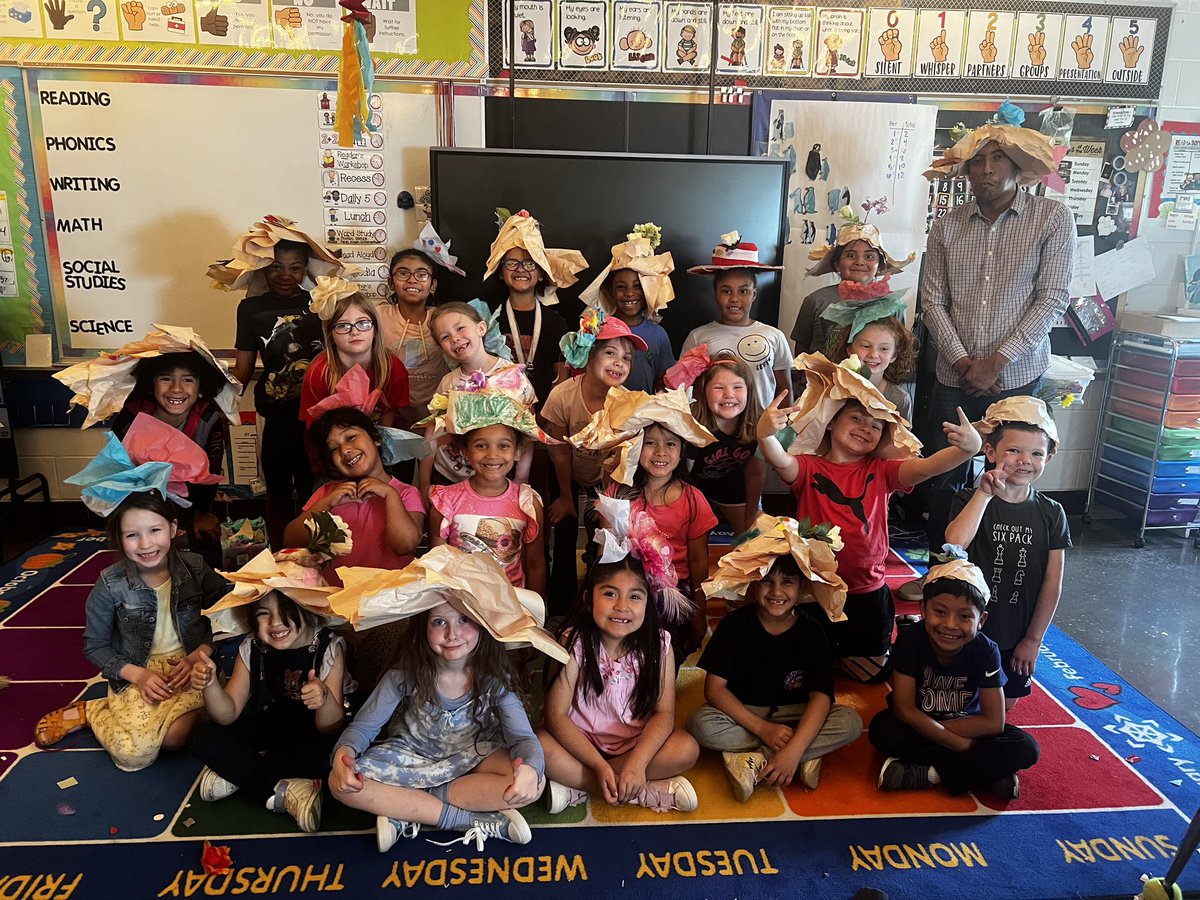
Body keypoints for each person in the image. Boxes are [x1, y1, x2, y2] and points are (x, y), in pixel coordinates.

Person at [757, 353, 982, 683]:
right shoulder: (808, 467)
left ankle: (884, 639)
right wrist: (765, 435)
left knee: (870, 676)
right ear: (832, 422)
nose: (865, 428)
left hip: (867, 589)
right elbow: (779, 459)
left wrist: (967, 449)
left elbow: (929, 466)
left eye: (876, 426)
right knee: (803, 669)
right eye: (857, 419)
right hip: (815, 588)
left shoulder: (884, 471)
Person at [328, 547, 568, 852]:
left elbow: (522, 737)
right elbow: (362, 729)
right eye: (439, 622)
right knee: (341, 785)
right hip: (411, 756)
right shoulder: (403, 674)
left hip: (474, 756)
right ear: (423, 628)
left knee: (534, 784)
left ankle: (408, 808)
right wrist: (342, 758)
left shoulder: (494, 679)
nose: (452, 634)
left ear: (483, 625)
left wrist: (529, 769)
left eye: (465, 620)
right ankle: (461, 819)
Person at [920, 114, 1076, 549]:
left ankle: (997, 571)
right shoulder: (946, 225)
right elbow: (932, 302)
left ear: (1019, 167)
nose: (987, 169)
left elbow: (1052, 298)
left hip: (1019, 374)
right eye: (977, 161)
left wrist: (997, 361)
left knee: (1012, 475)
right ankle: (941, 570)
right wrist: (964, 362)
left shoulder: (1051, 218)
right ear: (966, 171)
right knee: (944, 475)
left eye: (999, 158)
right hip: (955, 376)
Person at [34, 489, 225, 771]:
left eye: (155, 530)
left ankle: (173, 715)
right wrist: (139, 675)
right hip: (139, 670)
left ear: (173, 528)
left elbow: (224, 617)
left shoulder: (195, 568)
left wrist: (198, 655)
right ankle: (93, 710)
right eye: (132, 535)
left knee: (176, 737)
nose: (146, 544)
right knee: (135, 756)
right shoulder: (110, 584)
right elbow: (95, 645)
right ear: (119, 539)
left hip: (192, 665)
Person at [688, 518, 863, 799]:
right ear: (754, 584)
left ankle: (760, 758)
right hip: (747, 713)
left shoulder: (812, 630)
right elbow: (714, 690)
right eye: (767, 582)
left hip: (799, 712)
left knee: (850, 721)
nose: (777, 592)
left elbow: (821, 697)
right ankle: (802, 755)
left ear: (802, 587)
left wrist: (792, 749)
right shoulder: (734, 625)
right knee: (700, 724)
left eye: (787, 582)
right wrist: (763, 729)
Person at [538, 553, 700, 815]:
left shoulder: (660, 646)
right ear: (589, 600)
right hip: (579, 746)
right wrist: (599, 766)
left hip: (635, 746)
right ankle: (635, 789)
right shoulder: (573, 642)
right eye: (610, 594)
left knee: (686, 749)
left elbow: (664, 714)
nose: (622, 606)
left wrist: (638, 762)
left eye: (635, 596)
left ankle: (578, 787)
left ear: (648, 603)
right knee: (540, 745)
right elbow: (556, 715)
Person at [216, 218, 343, 548]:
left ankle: (316, 550)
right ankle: (281, 552)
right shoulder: (250, 309)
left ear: (305, 269)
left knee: (313, 485)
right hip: (276, 413)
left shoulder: (320, 303)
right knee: (276, 487)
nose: (285, 276)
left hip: (317, 413)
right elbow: (243, 368)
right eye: (276, 267)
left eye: (295, 268)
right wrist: (218, 406)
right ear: (262, 268)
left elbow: (341, 353)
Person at [868, 558, 1040, 800]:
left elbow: (993, 723)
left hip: (964, 726)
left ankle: (929, 775)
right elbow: (905, 708)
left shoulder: (986, 650)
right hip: (926, 724)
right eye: (940, 612)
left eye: (964, 617)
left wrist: (941, 734)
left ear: (981, 621)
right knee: (881, 730)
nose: (950, 625)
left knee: (1026, 748)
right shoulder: (910, 640)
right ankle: (988, 773)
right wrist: (958, 744)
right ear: (923, 609)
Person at [944, 397, 1069, 709]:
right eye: (1013, 450)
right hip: (967, 630)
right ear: (990, 451)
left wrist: (1033, 641)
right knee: (955, 700)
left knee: (1003, 706)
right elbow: (954, 543)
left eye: (1036, 453)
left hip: (1016, 635)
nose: (1024, 460)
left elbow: (1052, 583)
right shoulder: (970, 499)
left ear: (1049, 457)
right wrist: (985, 495)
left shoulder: (1052, 513)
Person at [189, 590, 348, 833]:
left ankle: (240, 773)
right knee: (204, 737)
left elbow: (331, 728)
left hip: (315, 731)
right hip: (273, 721)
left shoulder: (328, 646)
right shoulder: (252, 645)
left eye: (287, 613)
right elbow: (227, 713)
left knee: (338, 756)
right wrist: (210, 686)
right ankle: (287, 788)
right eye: (263, 614)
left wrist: (324, 698)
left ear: (307, 611)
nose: (275, 623)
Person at [580, 388, 717, 658]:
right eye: (651, 443)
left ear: (681, 452)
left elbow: (699, 562)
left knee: (665, 654)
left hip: (673, 593)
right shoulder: (619, 492)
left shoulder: (693, 499)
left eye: (671, 444)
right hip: (626, 588)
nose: (661, 452)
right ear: (636, 447)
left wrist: (700, 612)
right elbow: (603, 554)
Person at [540, 312, 648, 607]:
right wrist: (565, 496)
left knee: (603, 538)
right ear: (589, 355)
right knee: (562, 531)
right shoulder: (562, 396)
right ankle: (560, 606)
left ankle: (596, 598)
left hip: (607, 480)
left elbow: (619, 465)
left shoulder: (629, 405)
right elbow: (560, 450)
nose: (619, 362)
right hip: (568, 472)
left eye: (626, 358)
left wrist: (603, 506)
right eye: (610, 353)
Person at [107, 347, 234, 559]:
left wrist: (202, 512)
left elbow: (210, 471)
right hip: (137, 501)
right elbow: (118, 473)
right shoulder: (130, 417)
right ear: (151, 384)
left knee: (206, 538)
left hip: (194, 501)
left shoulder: (209, 420)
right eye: (166, 378)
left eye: (188, 380)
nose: (176, 389)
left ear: (201, 387)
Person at [428, 386, 551, 594]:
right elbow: (436, 566)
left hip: (511, 607)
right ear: (466, 452)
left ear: (517, 451)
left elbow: (536, 565)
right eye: (481, 446)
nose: (492, 455)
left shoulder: (528, 503)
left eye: (503, 446)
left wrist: (533, 616)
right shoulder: (446, 501)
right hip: (461, 606)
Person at [286, 407, 424, 587]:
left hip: (389, 601)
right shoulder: (327, 494)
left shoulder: (406, 493)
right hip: (336, 600)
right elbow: (290, 540)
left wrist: (390, 495)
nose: (345, 450)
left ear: (376, 438)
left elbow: (406, 545)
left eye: (350, 437)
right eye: (334, 448)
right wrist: (326, 504)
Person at [420, 301, 536, 489]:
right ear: (442, 348)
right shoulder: (448, 382)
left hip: (497, 475)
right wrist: (423, 482)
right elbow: (432, 434)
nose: (455, 338)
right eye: (445, 337)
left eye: (460, 328)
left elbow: (529, 433)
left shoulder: (513, 377)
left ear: (481, 328)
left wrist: (522, 478)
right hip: (449, 477)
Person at [483, 209, 585, 406]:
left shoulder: (555, 323)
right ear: (501, 272)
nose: (521, 268)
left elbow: (562, 378)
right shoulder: (488, 318)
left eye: (530, 263)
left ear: (541, 274)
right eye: (512, 263)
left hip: (544, 412)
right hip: (498, 411)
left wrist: (545, 416)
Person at [682, 233, 791, 409]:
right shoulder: (698, 337)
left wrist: (783, 428)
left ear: (754, 294)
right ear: (715, 294)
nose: (734, 299)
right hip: (713, 430)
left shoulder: (774, 336)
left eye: (743, 291)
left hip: (762, 429)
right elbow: (687, 388)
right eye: (726, 291)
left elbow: (784, 389)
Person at [792, 203, 914, 359]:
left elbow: (898, 351)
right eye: (850, 255)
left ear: (880, 265)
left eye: (869, 256)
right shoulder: (815, 301)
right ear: (837, 264)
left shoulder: (893, 305)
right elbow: (802, 350)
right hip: (826, 381)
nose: (860, 262)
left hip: (873, 381)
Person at [668, 348, 765, 535]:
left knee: (755, 536)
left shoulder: (758, 425)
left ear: (749, 391)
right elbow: (682, 476)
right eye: (719, 388)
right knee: (689, 536)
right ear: (704, 392)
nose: (729, 394)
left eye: (737, 387)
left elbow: (755, 473)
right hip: (690, 488)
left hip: (733, 487)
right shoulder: (691, 424)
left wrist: (752, 513)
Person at [376, 224, 462, 429]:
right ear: (390, 282)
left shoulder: (442, 319)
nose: (412, 279)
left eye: (422, 274)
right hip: (391, 415)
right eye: (403, 273)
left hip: (436, 416)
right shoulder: (378, 316)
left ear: (432, 285)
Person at [579, 223, 676, 394]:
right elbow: (582, 371)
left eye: (637, 286)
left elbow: (663, 379)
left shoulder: (658, 335)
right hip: (601, 412)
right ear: (610, 292)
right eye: (621, 287)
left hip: (642, 414)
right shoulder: (597, 329)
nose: (630, 293)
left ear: (649, 290)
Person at [301, 280, 408, 429]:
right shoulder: (319, 373)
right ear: (330, 334)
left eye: (363, 323)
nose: (355, 332)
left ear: (375, 329)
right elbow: (315, 428)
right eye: (343, 325)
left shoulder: (392, 367)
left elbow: (389, 416)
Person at [828, 308, 917, 421]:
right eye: (865, 346)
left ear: (894, 355)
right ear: (850, 349)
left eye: (884, 348)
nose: (874, 354)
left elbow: (903, 438)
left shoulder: (899, 399)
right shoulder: (832, 387)